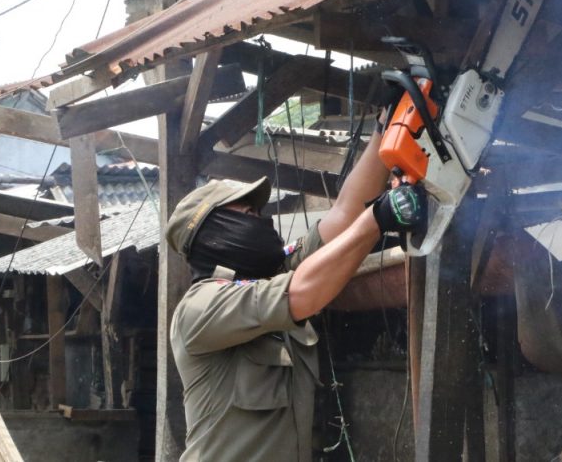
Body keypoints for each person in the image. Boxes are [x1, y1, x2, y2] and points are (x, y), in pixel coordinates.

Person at [165, 130, 426, 461]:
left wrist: (385, 130)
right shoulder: (201, 307)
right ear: (214, 233)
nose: (263, 221)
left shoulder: (272, 274)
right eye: (249, 214)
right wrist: (378, 218)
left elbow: (344, 216)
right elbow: (303, 293)